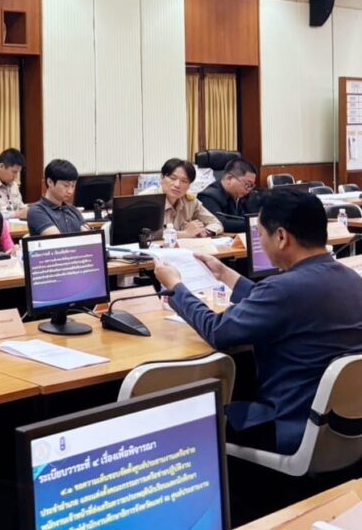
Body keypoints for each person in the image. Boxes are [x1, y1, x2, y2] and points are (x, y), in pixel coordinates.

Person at [154, 191, 362, 454]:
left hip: (287, 425)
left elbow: (217, 331)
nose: (260, 242)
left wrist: (176, 287)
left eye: (261, 234)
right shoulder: (351, 280)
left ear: (281, 237)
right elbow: (281, 304)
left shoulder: (283, 289)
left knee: (183, 418)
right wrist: (226, 274)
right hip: (342, 427)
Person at [144, 158, 223, 238]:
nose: (177, 185)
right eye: (173, 178)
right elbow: (145, 234)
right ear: (161, 178)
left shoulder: (190, 201)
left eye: (184, 181)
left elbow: (216, 223)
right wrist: (185, 234)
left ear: (189, 185)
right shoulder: (147, 200)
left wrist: (205, 232)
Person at [26, 159, 90, 236]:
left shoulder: (72, 210)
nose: (70, 191)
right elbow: (57, 240)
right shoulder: (37, 211)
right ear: (50, 182)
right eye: (66, 186)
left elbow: (89, 236)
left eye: (73, 186)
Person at [196, 158, 260, 234]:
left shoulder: (243, 195)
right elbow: (221, 223)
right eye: (247, 184)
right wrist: (255, 224)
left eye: (251, 186)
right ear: (229, 178)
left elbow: (253, 215)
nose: (249, 189)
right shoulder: (208, 197)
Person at [0, 148, 28, 219]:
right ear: (1, 166)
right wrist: (15, 214)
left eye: (17, 172)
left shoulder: (13, 185)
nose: (16, 176)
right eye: (14, 172)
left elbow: (21, 208)